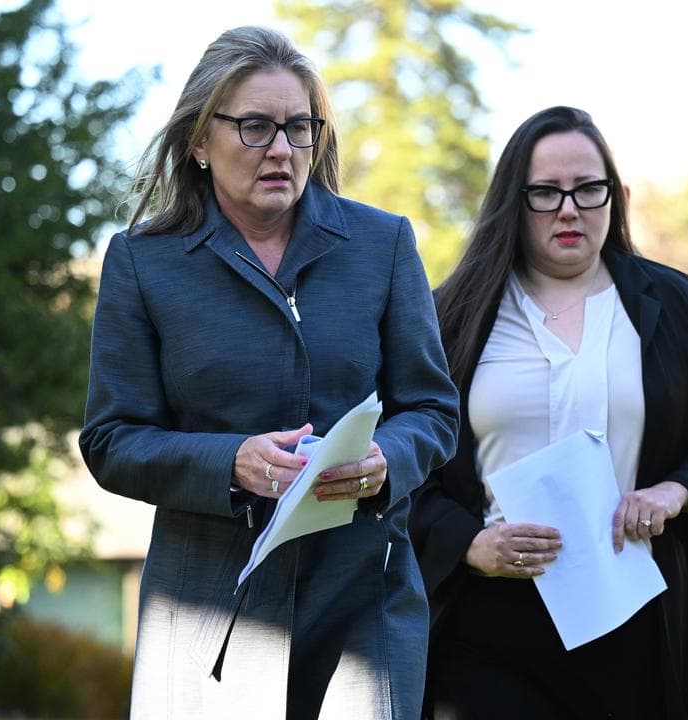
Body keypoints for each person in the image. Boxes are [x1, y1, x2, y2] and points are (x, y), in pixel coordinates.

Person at [78, 26, 459, 719]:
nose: (282, 149)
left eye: (298, 126)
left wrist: (385, 462)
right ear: (199, 139)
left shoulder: (384, 244)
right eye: (254, 126)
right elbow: (111, 440)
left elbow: (433, 411)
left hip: (361, 608)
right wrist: (234, 464)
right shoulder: (142, 261)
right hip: (206, 618)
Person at [408, 105, 688, 719]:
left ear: (615, 197)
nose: (569, 210)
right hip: (491, 626)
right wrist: (469, 543)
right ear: (513, 200)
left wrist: (673, 493)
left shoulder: (672, 304)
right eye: (545, 193)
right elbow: (409, 463)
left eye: (587, 190)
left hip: (637, 616)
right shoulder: (450, 316)